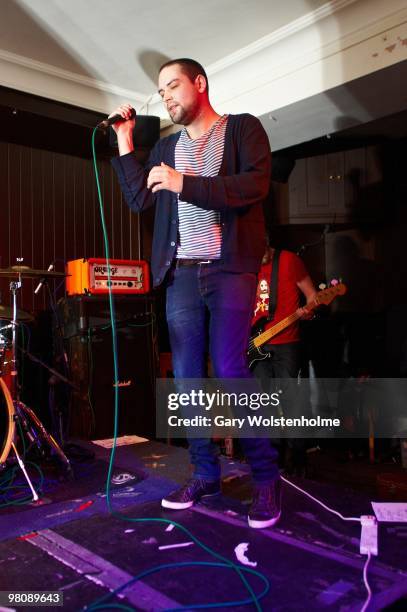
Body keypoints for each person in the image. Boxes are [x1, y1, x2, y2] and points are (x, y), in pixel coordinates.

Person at [110, 58, 280, 528]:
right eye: (160, 92)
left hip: (229, 270)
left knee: (228, 368)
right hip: (182, 273)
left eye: (173, 86)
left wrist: (184, 183)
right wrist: (126, 143)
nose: (166, 97)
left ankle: (266, 477)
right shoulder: (166, 146)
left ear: (199, 84)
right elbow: (138, 197)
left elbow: (253, 185)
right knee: (186, 379)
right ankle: (205, 473)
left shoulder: (242, 130)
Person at [251, 246, 317, 470]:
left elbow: (313, 296)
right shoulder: (243, 264)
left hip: (287, 343)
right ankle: (273, 459)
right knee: (264, 402)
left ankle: (298, 458)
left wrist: (309, 310)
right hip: (255, 345)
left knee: (292, 402)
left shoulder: (289, 260)